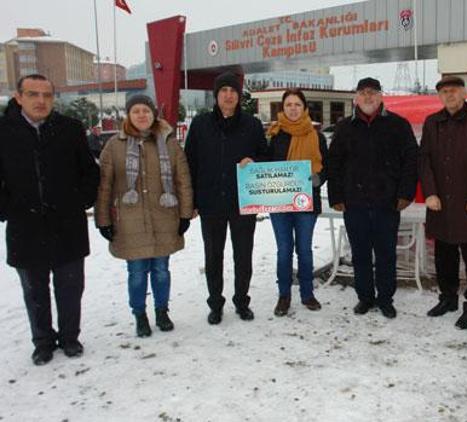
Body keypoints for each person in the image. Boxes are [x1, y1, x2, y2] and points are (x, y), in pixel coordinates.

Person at [0, 74, 100, 365]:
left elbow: (89, 172)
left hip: (67, 225)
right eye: (33, 94)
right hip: (25, 228)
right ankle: (42, 341)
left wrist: (81, 200)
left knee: (70, 287)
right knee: (35, 290)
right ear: (19, 97)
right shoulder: (5, 131)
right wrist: (8, 209)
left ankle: (70, 337)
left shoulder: (70, 129)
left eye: (47, 95)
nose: (41, 101)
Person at [95, 95, 193, 337]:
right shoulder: (114, 146)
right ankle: (139, 314)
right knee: (137, 272)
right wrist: (103, 220)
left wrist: (185, 214)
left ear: (153, 114)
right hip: (129, 222)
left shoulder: (169, 143)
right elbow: (104, 186)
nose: (141, 115)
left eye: (146, 111)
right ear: (128, 115)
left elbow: (183, 180)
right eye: (136, 111)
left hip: (164, 217)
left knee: (161, 269)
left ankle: (162, 310)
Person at [327, 77, 418, 319]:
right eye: (363, 92)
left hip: (387, 203)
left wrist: (405, 194)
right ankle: (365, 298)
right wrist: (336, 195)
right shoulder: (344, 127)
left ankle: (386, 299)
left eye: (373, 92)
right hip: (354, 203)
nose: (368, 97)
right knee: (360, 254)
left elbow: (411, 161)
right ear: (356, 97)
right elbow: (333, 163)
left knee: (387, 253)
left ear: (381, 96)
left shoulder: (398, 125)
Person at [184, 72, 267, 325]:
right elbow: (190, 163)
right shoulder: (200, 124)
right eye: (224, 91)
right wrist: (193, 202)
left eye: (233, 91)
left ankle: (242, 301)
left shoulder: (251, 125)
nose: (229, 95)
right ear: (216, 95)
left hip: (243, 202)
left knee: (243, 255)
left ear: (239, 96)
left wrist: (254, 161)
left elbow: (265, 157)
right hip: (210, 202)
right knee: (213, 255)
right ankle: (215, 304)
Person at [419, 76, 467, 329]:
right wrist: (429, 192)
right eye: (444, 92)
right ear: (439, 96)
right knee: (444, 255)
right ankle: (448, 298)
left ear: (464, 93)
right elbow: (425, 160)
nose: (449, 96)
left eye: (454, 91)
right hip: (440, 201)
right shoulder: (432, 123)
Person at [266, 89, 328, 316]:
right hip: (280, 202)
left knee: (304, 249)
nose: (293, 108)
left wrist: (317, 178)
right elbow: (266, 165)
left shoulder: (317, 136)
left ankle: (307, 293)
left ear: (304, 108)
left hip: (306, 201)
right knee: (284, 250)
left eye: (297, 104)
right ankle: (284, 295)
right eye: (289, 104)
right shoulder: (275, 134)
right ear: (283, 108)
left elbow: (326, 167)